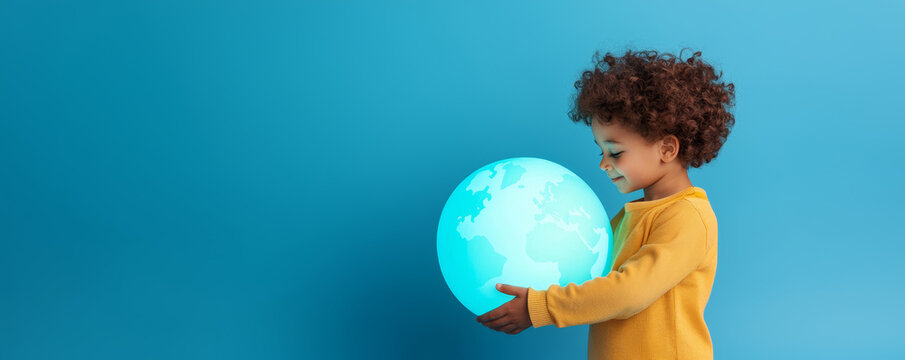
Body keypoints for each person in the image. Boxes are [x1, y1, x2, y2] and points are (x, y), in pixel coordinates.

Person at [476, 48, 736, 360]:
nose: (603, 164)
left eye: (614, 152)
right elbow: (589, 278)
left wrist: (540, 307)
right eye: (600, 150)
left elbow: (629, 292)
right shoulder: (626, 218)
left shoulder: (688, 218)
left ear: (666, 148)